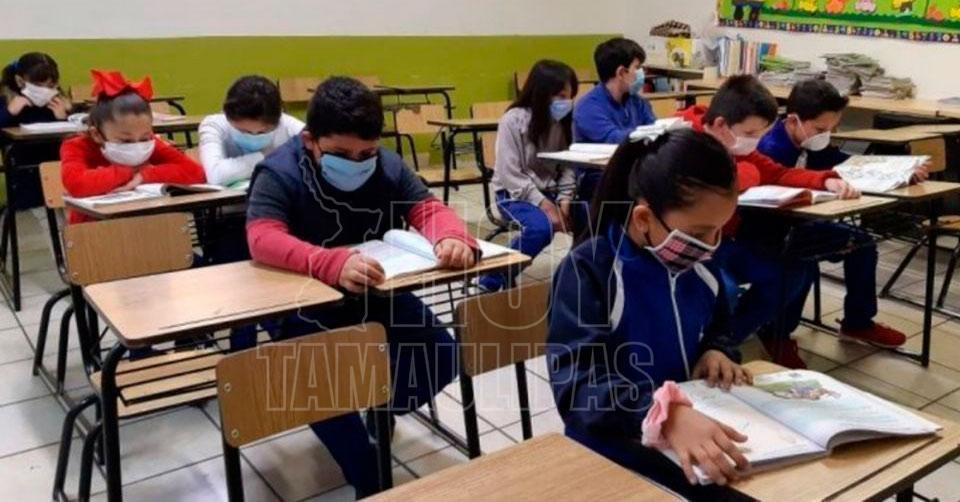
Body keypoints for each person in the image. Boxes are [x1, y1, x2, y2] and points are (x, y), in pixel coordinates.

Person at [245, 76, 478, 497]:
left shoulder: (386, 165)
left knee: (443, 356)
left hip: (377, 293)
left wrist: (451, 236)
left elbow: (427, 207)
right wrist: (329, 263)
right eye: (340, 154)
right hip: (304, 304)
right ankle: (366, 470)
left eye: (366, 154)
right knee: (326, 398)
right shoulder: (279, 171)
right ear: (311, 141)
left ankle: (381, 405)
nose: (356, 163)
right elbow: (262, 237)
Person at [549, 129, 751, 499]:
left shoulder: (699, 263)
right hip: (615, 442)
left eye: (719, 230)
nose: (710, 246)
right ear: (643, 218)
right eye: (700, 232)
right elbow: (578, 389)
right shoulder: (590, 270)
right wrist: (663, 414)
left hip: (690, 423)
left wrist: (717, 350)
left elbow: (720, 326)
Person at [677, 75, 864, 368]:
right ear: (721, 124)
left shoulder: (741, 147)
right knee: (724, 289)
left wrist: (825, 181)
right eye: (750, 133)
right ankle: (696, 350)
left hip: (727, 242)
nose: (755, 142)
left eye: (760, 134)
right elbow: (716, 186)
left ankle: (722, 346)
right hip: (690, 245)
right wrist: (746, 175)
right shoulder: (684, 142)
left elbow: (777, 173)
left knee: (791, 272)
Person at [753, 79, 920, 359]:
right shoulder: (771, 148)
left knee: (862, 245)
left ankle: (858, 322)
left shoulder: (812, 141)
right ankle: (776, 334)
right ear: (793, 121)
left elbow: (844, 163)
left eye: (832, 129)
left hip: (805, 223)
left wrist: (901, 172)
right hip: (770, 230)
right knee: (801, 259)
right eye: (821, 129)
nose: (826, 136)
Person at [478, 60, 581, 292]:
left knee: (590, 216)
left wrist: (565, 199)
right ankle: (490, 281)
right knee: (541, 227)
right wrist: (546, 205)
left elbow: (568, 165)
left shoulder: (565, 122)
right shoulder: (513, 120)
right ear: (543, 93)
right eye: (561, 96)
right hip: (513, 194)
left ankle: (579, 278)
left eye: (570, 96)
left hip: (551, 191)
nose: (567, 102)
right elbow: (510, 174)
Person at [60, 70, 205, 224]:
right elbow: (77, 184)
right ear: (97, 134)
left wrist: (145, 176)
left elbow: (195, 172)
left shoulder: (150, 142)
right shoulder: (76, 146)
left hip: (148, 223)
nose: (137, 145)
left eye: (145, 137)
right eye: (125, 141)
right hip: (93, 228)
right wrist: (130, 171)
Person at [572, 37, 657, 213]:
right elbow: (614, 139)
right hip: (600, 178)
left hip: (633, 170)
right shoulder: (588, 107)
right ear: (621, 72)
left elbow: (655, 129)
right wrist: (648, 133)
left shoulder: (637, 102)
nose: (641, 74)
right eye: (637, 68)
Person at [198, 75, 304, 188]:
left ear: (279, 118)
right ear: (227, 116)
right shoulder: (214, 125)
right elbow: (215, 175)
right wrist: (268, 155)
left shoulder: (291, 126)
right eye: (243, 131)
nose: (253, 137)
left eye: (263, 132)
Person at [1, 52, 74, 210]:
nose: (45, 91)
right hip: (24, 174)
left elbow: (72, 142)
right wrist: (9, 113)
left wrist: (63, 119)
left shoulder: (57, 103)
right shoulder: (7, 101)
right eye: (39, 86)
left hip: (56, 167)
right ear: (20, 81)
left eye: (50, 86)